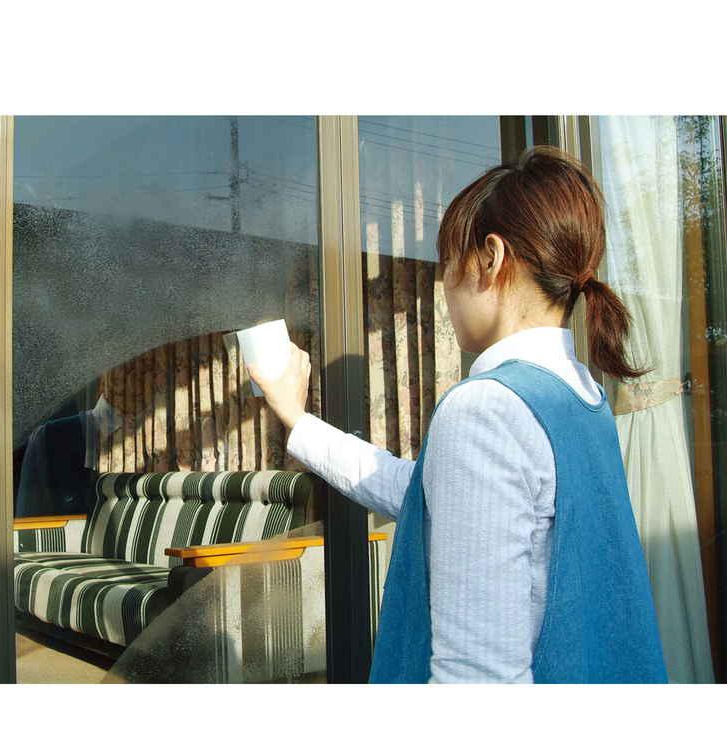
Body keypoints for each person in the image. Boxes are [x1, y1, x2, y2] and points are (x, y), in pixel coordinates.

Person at [246, 145, 668, 684]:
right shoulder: (582, 397)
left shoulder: (487, 409)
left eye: (447, 263)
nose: (444, 285)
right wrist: (297, 418)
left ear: (491, 258)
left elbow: (476, 676)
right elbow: (424, 493)